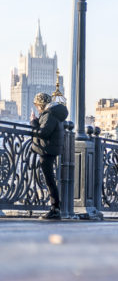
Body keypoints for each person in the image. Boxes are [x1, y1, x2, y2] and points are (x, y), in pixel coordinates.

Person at [29, 92, 68, 220]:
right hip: (51, 149)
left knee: (50, 180)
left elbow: (44, 133)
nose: (37, 108)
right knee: (50, 180)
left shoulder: (49, 114)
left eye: (37, 106)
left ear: (40, 105)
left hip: (47, 150)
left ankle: (55, 209)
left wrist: (34, 123)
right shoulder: (55, 113)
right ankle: (55, 208)